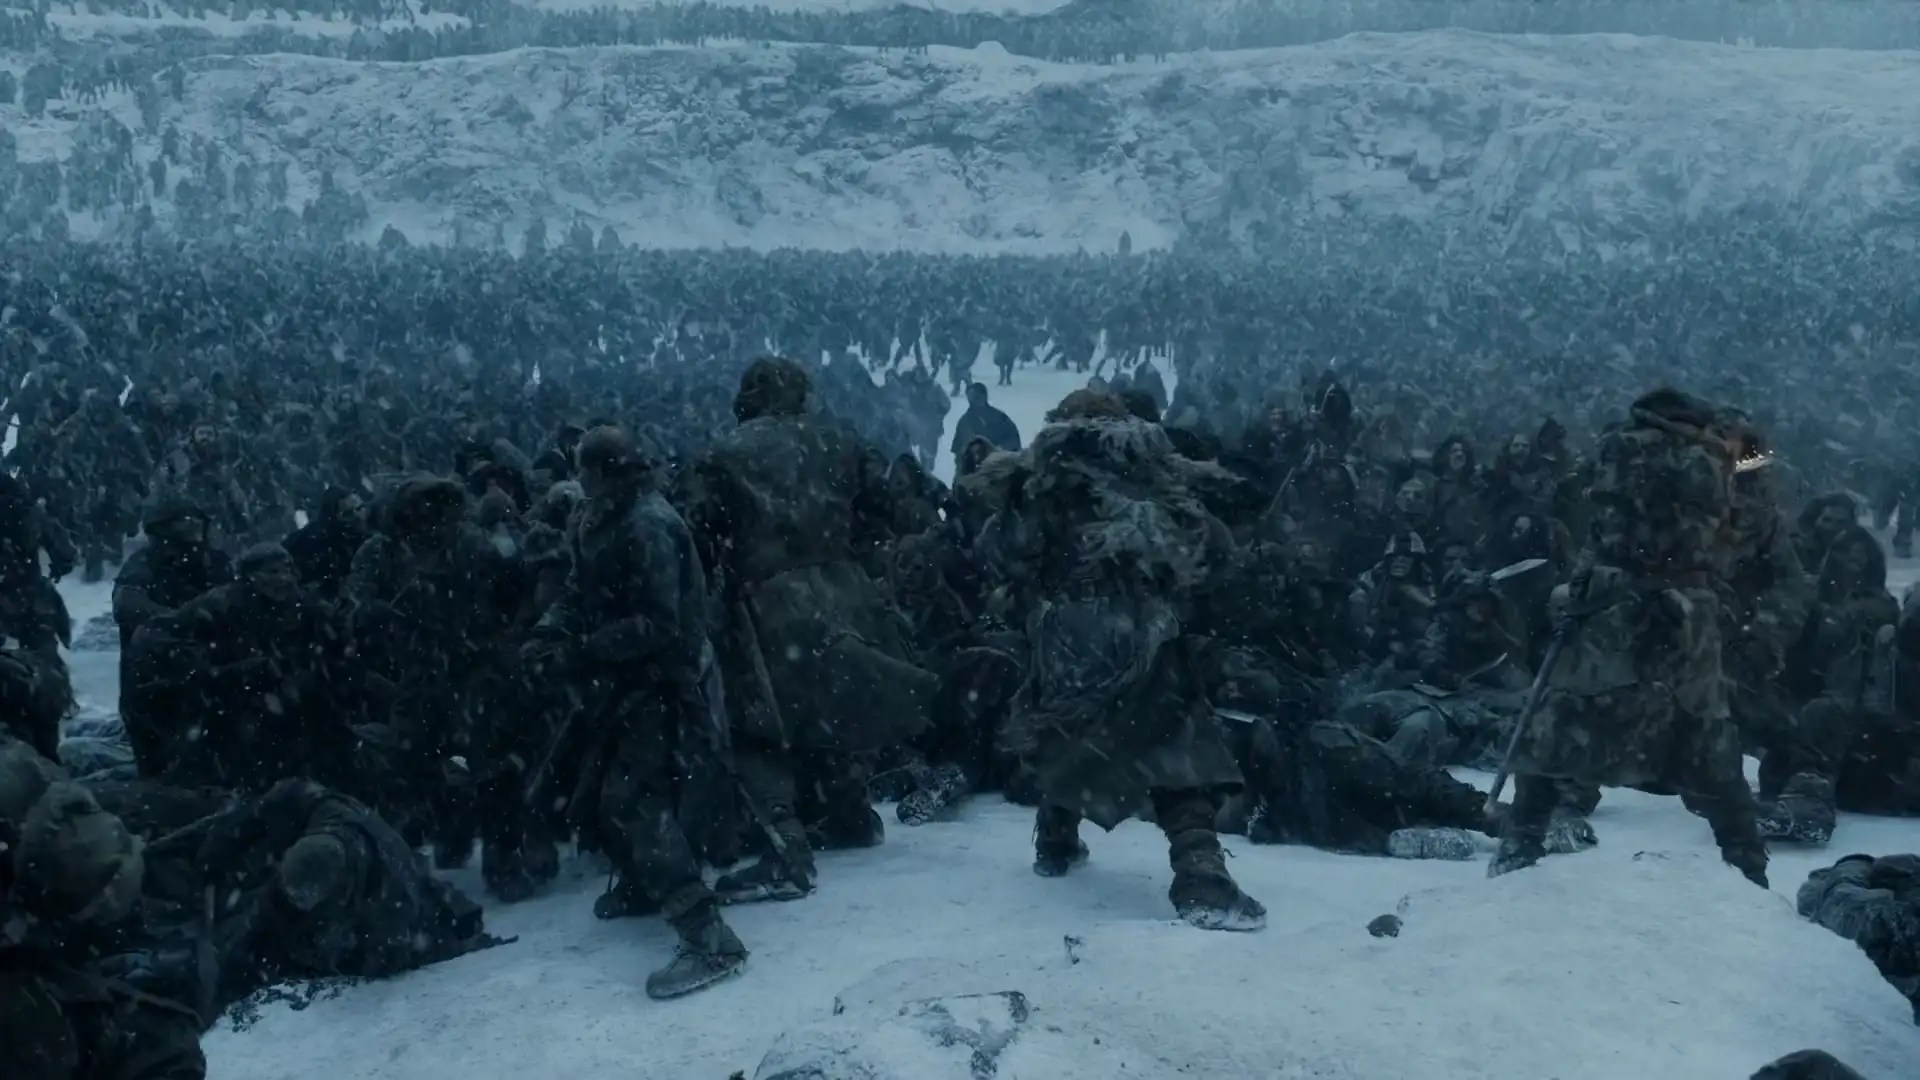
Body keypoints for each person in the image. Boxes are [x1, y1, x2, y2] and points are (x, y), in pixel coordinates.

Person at [982, 388, 1265, 931]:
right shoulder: (1146, 469)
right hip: (1137, 626)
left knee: (1067, 728)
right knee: (1174, 740)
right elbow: (1214, 548)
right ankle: (1199, 873)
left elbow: (1002, 551)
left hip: (1064, 630)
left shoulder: (1040, 477)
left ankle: (1056, 839)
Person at [677, 359, 937, 901]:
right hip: (845, 590)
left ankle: (786, 850)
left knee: (757, 724)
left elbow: (697, 533)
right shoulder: (839, 441)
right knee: (830, 705)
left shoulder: (723, 453)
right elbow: (882, 509)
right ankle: (849, 813)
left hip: (769, 599)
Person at [1489, 389, 1769, 888]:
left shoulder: (1616, 447)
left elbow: (1599, 529)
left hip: (1610, 601)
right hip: (1681, 607)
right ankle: (1747, 865)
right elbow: (1737, 530)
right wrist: (1742, 470)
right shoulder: (1702, 459)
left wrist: (1582, 584)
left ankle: (1520, 844)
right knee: (1706, 733)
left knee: (1562, 719)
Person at [527, 425, 748, 1000]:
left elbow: (659, 623)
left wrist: (582, 651)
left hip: (662, 681)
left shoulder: (649, 524)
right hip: (621, 681)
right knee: (606, 792)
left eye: (587, 468)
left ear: (608, 471)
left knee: (635, 800)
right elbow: (578, 591)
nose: (579, 477)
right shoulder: (597, 516)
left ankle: (707, 934)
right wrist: (549, 634)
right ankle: (646, 885)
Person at [950, 383, 1022, 477]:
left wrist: (1000, 450)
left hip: (1000, 469)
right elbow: (958, 451)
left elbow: (1014, 441)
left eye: (976, 397)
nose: (973, 401)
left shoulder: (1000, 417)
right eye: (970, 399)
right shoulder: (964, 422)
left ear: (984, 396)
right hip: (975, 473)